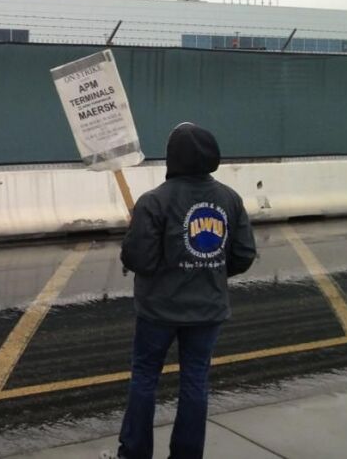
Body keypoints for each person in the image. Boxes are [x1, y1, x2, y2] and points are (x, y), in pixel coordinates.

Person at [106, 123, 257, 459]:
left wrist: (135, 233)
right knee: (195, 380)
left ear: (173, 158)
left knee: (145, 377)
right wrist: (212, 272)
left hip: (158, 310)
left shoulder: (153, 202)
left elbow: (139, 259)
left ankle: (134, 451)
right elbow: (244, 254)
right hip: (208, 310)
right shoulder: (230, 200)